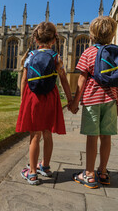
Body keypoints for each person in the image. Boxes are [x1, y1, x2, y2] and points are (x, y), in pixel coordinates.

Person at [69, 16, 118, 189]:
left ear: (91, 35)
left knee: (92, 137)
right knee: (106, 136)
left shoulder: (88, 52)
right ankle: (103, 171)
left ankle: (89, 174)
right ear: (113, 34)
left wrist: (75, 102)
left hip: (92, 100)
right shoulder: (117, 53)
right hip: (111, 100)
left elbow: (82, 79)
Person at [16, 21, 72, 185]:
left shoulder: (30, 56)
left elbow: (24, 80)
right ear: (54, 40)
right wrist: (70, 100)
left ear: (35, 39)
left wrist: (22, 101)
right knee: (48, 134)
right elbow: (63, 80)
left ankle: (32, 173)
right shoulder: (56, 57)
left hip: (33, 98)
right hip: (50, 97)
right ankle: (45, 167)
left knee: (35, 135)